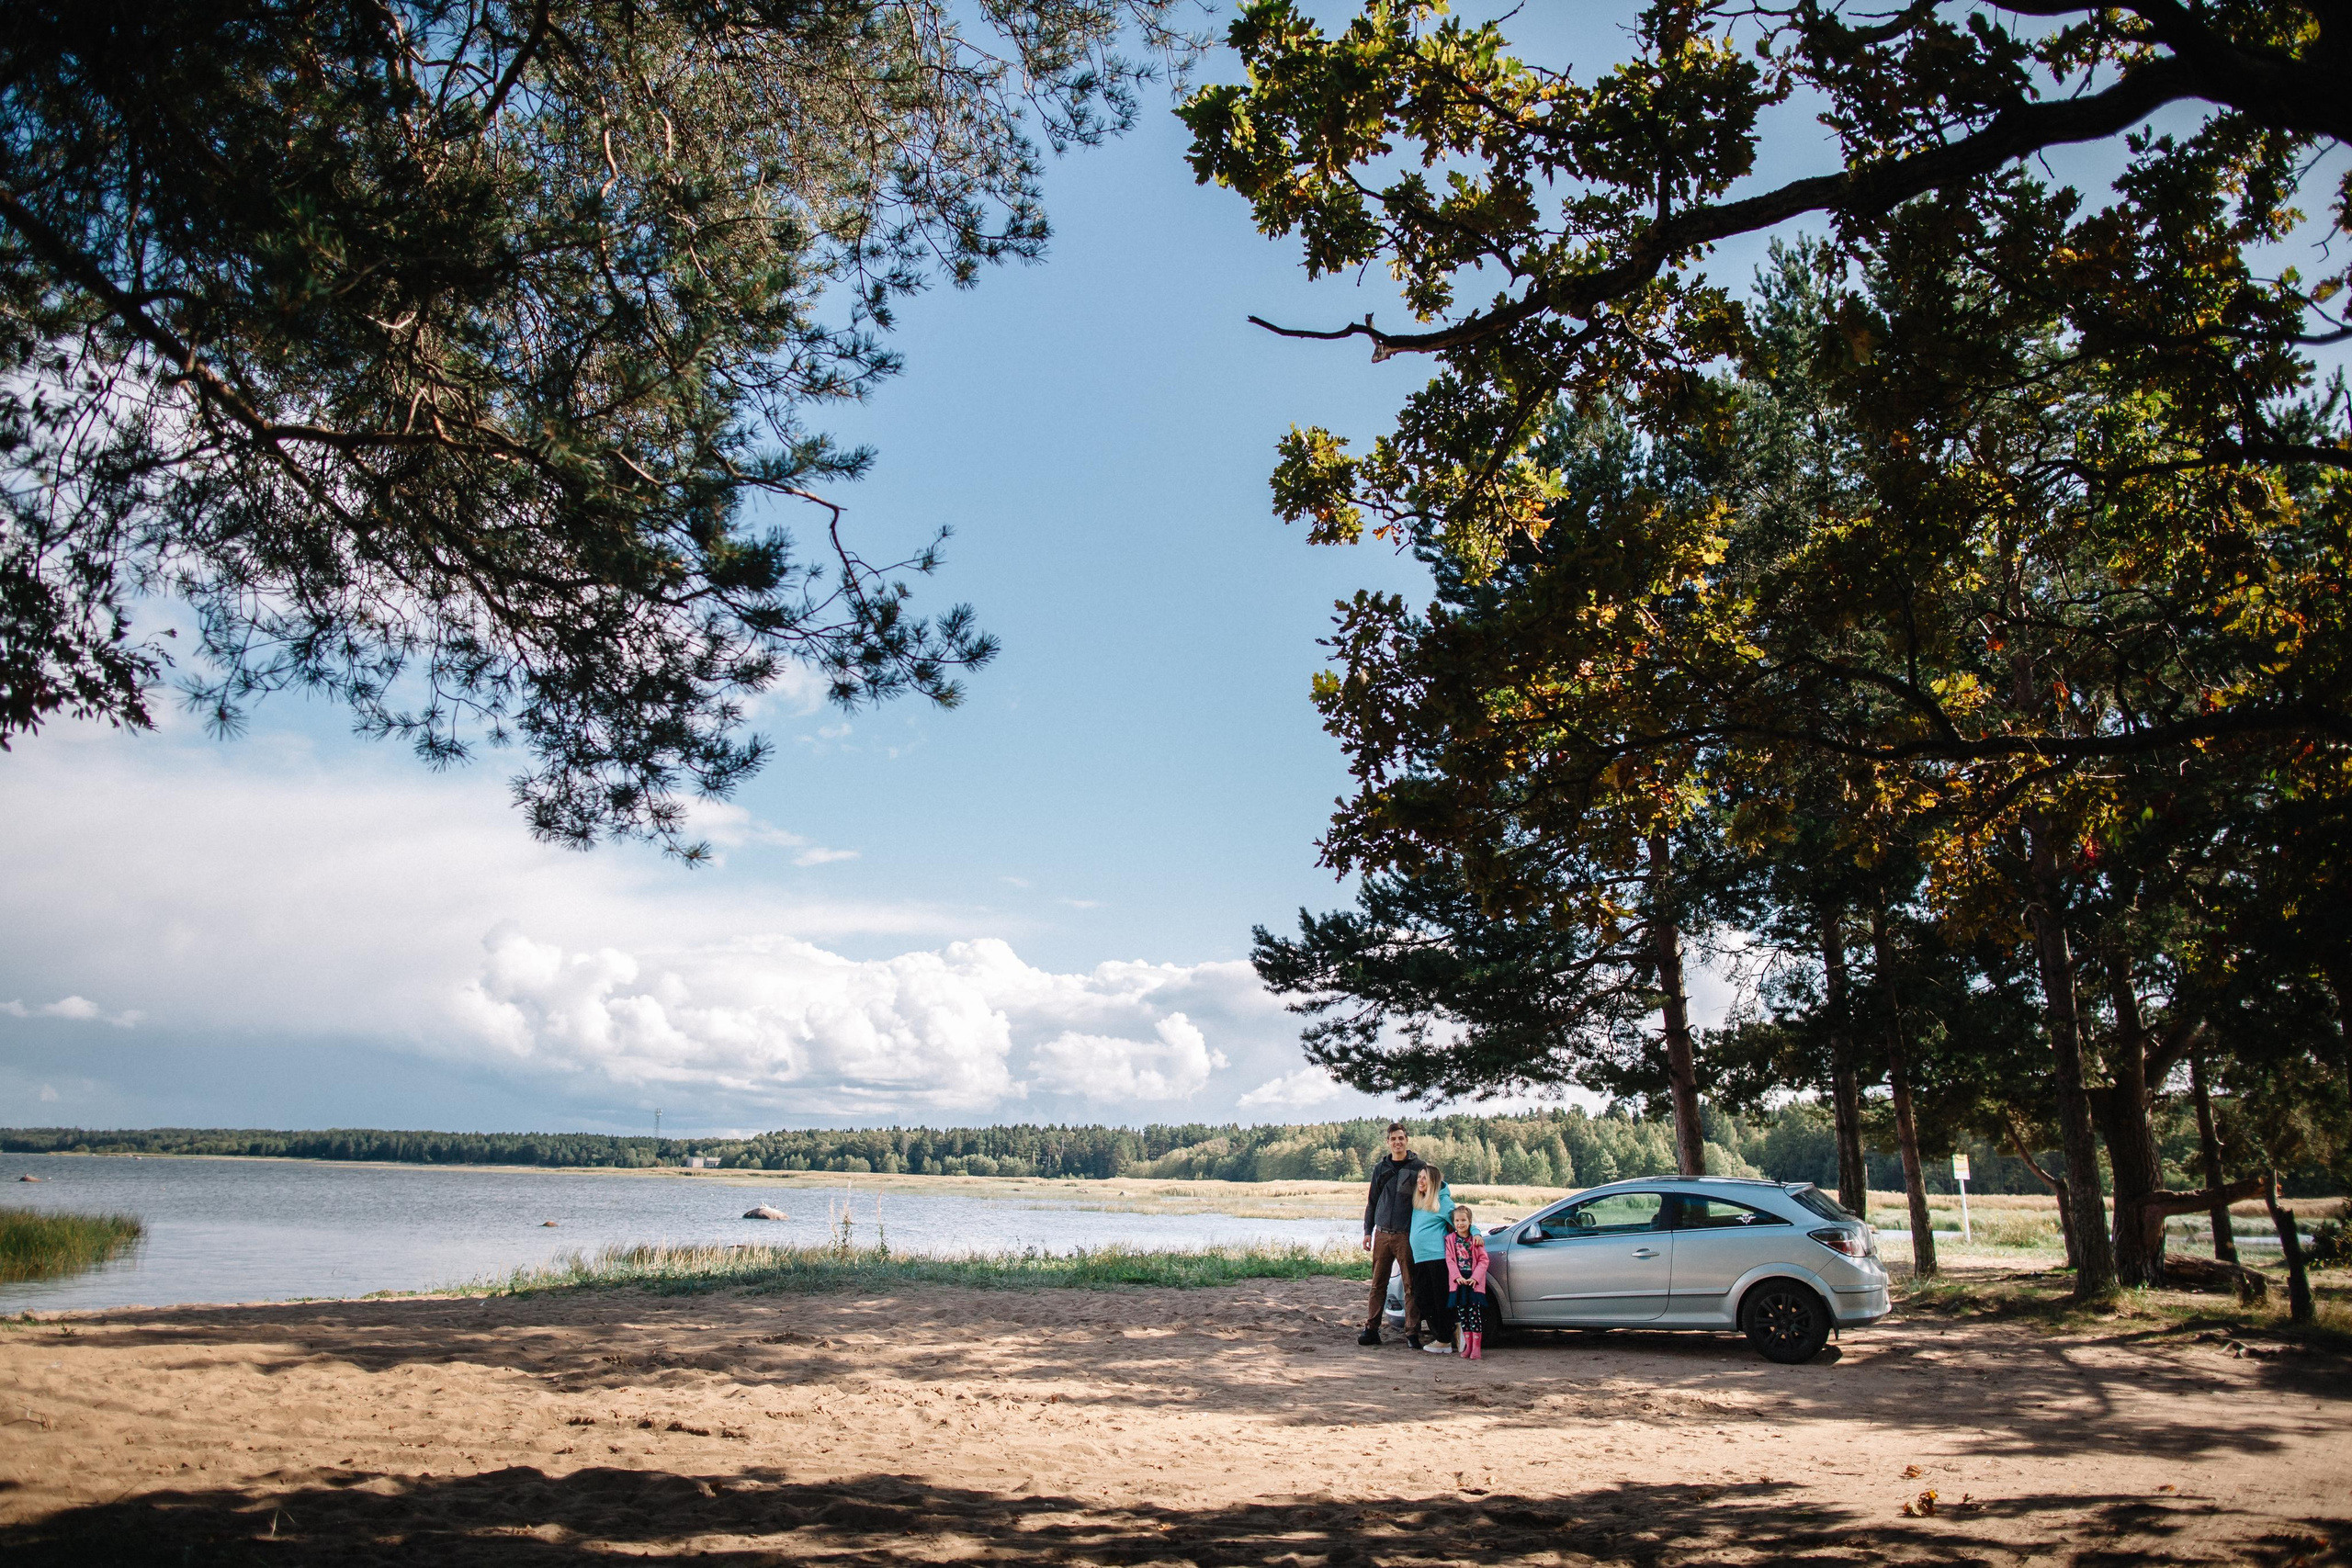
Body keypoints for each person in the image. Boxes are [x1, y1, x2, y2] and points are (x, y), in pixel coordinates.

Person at [1359, 1122, 1427, 1348]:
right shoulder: (1380, 1168)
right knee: (1378, 1283)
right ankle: (1371, 1329)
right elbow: (1372, 1201)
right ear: (1387, 1142)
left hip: (1406, 1235)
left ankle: (1412, 1333)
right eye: (1393, 1139)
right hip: (1382, 1235)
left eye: (1401, 1138)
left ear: (1407, 1140)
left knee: (1410, 1284)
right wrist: (1368, 1231)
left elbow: (1429, 1199)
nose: (1397, 1142)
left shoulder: (1419, 1167)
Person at [1408, 1164, 1456, 1353]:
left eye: (1424, 1178)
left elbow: (1463, 1221)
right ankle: (1448, 1333)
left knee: (1440, 1300)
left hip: (1438, 1259)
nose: (1420, 1181)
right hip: (1420, 1259)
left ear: (1433, 1181)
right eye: (1419, 1177)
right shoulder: (1418, 1202)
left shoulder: (1443, 1203)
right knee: (1421, 1298)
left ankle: (1444, 1340)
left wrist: (1475, 1234)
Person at [1445, 1204, 1490, 1360]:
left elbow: (1484, 1260)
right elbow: (1450, 1260)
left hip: (1473, 1282)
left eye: (1463, 1220)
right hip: (1459, 1282)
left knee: (1474, 1315)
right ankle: (1468, 1345)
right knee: (1462, 1315)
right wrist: (1457, 1276)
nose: (1460, 1223)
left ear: (1470, 1222)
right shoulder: (1450, 1240)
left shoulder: (1475, 1240)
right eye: (1457, 1220)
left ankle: (1476, 1348)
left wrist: (1475, 1278)